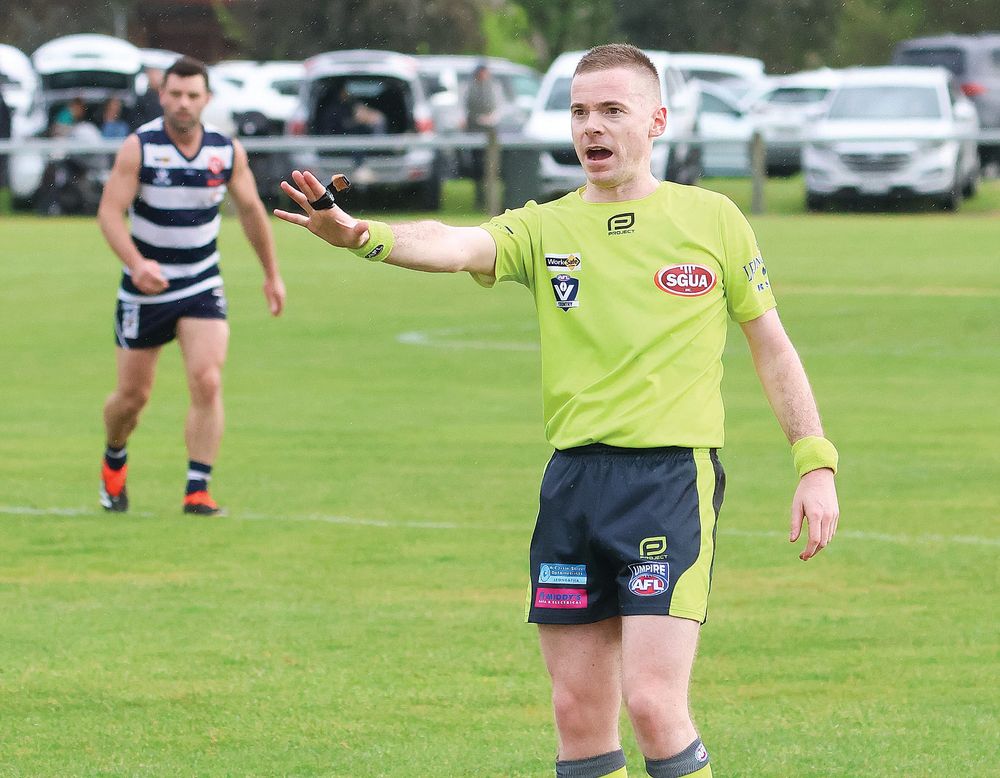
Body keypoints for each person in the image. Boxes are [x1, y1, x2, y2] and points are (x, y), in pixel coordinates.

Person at [275, 43, 840, 778]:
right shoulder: (545, 227)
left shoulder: (714, 219)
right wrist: (363, 236)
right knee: (577, 715)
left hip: (668, 484)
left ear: (657, 120)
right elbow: (455, 243)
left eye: (612, 110)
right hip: (572, 486)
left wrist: (814, 461)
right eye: (579, 111)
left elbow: (772, 346)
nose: (591, 127)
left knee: (652, 704)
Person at [97, 55, 286, 516]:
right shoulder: (139, 147)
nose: (183, 103)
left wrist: (271, 274)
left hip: (201, 283)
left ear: (207, 99)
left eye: (192, 95)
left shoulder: (225, 151)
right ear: (163, 95)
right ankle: (115, 456)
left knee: (207, 378)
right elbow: (108, 213)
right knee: (132, 400)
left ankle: (197, 489)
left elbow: (251, 213)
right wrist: (137, 264)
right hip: (145, 289)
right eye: (175, 94)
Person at [464, 62, 500, 208]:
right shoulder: (472, 88)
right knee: (477, 167)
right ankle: (480, 198)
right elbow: (469, 109)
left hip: (490, 133)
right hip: (475, 132)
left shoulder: (491, 87)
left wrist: (491, 118)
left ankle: (488, 199)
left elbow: (496, 106)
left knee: (490, 167)